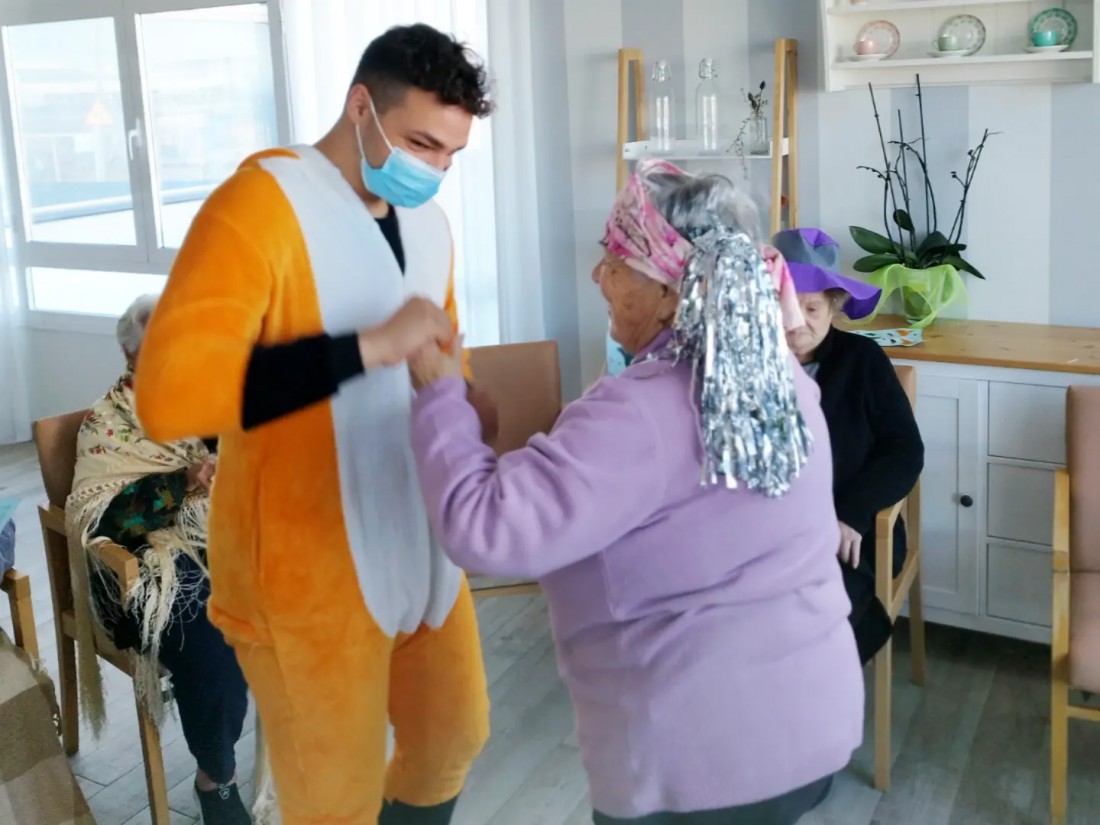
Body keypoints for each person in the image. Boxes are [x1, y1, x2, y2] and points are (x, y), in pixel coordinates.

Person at [407, 160, 864, 824]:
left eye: (616, 260)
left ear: (672, 293)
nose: (599, 275)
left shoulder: (638, 413)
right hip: (811, 723)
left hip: (701, 760)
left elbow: (484, 531)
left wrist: (440, 395)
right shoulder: (782, 379)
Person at [132, 24, 494, 825]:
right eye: (421, 144)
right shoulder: (257, 205)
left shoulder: (430, 227)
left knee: (453, 736)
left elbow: (443, 363)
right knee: (335, 798)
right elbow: (171, 394)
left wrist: (466, 402)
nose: (434, 169)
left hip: (417, 539)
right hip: (302, 570)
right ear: (361, 106)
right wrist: (367, 347)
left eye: (451, 154)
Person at [66, 295, 251, 825]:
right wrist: (182, 480)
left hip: (212, 540)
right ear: (132, 354)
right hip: (145, 565)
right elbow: (106, 521)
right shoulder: (106, 422)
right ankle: (216, 778)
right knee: (214, 632)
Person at [773, 227, 925, 664]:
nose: (797, 321)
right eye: (785, 305)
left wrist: (851, 514)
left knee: (809, 614)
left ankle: (811, 690)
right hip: (770, 526)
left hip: (850, 528)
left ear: (834, 306)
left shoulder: (863, 361)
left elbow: (904, 450)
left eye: (812, 308)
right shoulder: (751, 362)